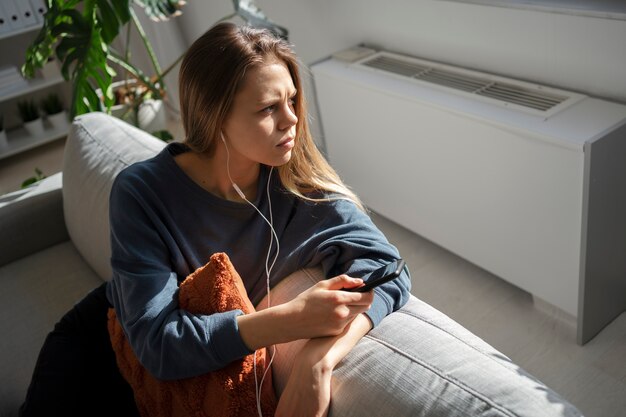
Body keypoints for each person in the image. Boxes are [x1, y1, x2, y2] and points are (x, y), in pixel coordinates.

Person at [20, 22, 411, 417]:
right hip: (101, 351)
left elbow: (391, 271)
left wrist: (319, 360)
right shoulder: (142, 192)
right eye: (268, 108)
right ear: (214, 114)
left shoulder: (303, 191)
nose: (291, 119)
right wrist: (288, 320)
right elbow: (158, 344)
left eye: (292, 100)